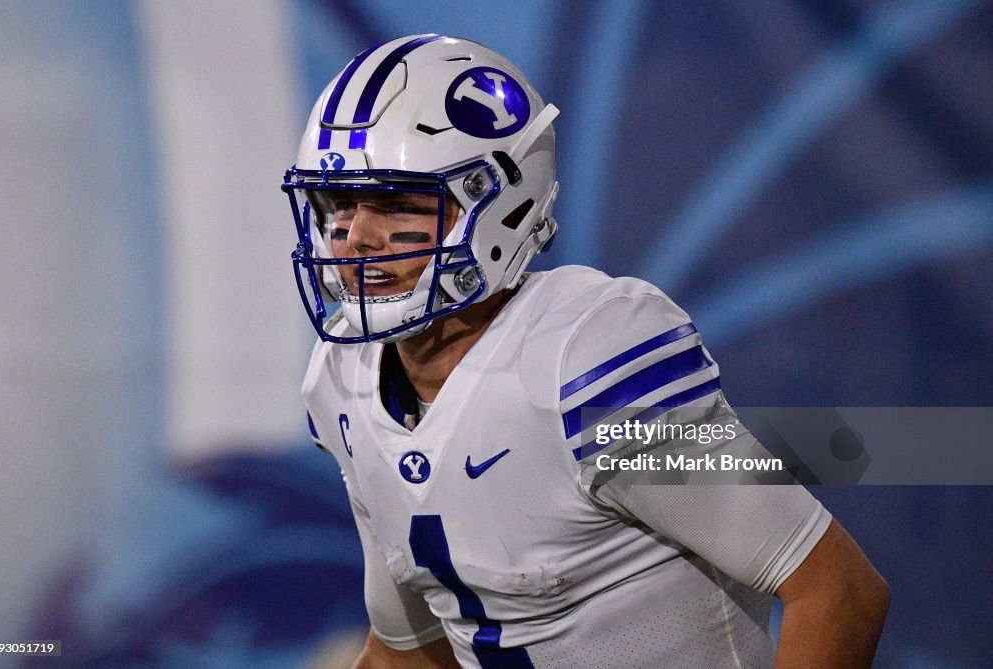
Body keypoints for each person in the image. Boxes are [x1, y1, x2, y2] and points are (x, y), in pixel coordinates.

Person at [283, 34, 889, 669]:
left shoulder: (589, 358)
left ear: (500, 206)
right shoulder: (343, 382)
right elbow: (407, 654)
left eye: (400, 203)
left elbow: (837, 592)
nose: (356, 236)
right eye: (340, 203)